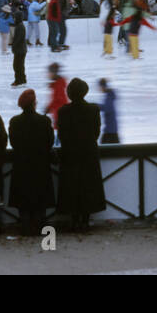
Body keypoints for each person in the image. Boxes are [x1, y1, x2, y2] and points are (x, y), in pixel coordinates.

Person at [56, 77, 105, 233]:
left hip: (70, 154)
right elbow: (96, 132)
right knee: (88, 186)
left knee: (71, 186)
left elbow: (61, 134)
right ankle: (85, 219)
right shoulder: (93, 109)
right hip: (89, 152)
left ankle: (74, 219)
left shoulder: (63, 111)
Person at [6, 89, 55, 236]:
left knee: (23, 198)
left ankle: (25, 226)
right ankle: (41, 225)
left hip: (21, 165)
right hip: (41, 165)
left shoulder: (14, 121)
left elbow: (13, 142)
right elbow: (50, 142)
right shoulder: (44, 121)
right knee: (40, 197)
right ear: (34, 103)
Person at [98, 78, 120, 143]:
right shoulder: (109, 95)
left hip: (110, 131)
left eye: (99, 86)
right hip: (111, 129)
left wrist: (95, 106)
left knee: (103, 150)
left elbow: (107, 108)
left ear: (102, 86)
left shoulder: (109, 96)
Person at [9, 12, 28, 87]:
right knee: (19, 65)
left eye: (15, 17)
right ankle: (22, 79)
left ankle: (18, 80)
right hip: (21, 49)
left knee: (17, 66)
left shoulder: (20, 26)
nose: (14, 19)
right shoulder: (20, 25)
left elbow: (18, 39)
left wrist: (13, 46)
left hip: (20, 50)